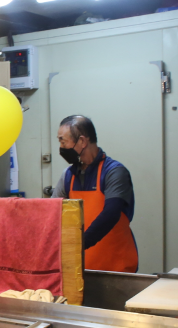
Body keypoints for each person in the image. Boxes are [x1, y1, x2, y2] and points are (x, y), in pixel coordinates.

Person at [52, 115, 137, 272]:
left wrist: (79, 244)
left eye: (63, 142)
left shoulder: (114, 172)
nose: (62, 147)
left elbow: (111, 214)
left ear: (82, 141)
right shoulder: (68, 175)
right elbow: (52, 212)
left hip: (116, 268)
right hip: (80, 268)